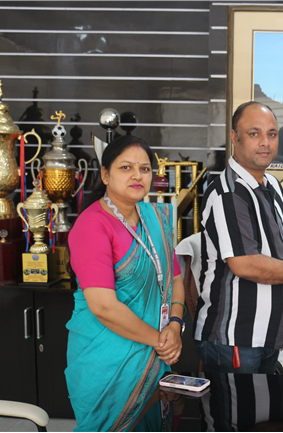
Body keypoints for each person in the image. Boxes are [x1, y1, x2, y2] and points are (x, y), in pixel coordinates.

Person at [195, 101, 283, 374]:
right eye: (254, 133)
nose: (265, 142)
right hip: (236, 338)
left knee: (264, 404)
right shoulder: (229, 193)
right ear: (234, 137)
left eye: (272, 134)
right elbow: (245, 263)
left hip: (268, 337)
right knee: (238, 404)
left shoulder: (271, 183)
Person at [65, 135, 186, 431]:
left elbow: (175, 278)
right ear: (105, 175)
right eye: (126, 167)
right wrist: (160, 340)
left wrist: (174, 324)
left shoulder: (155, 217)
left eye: (144, 169)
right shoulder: (92, 225)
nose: (137, 175)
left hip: (154, 351)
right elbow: (103, 307)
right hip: (107, 363)